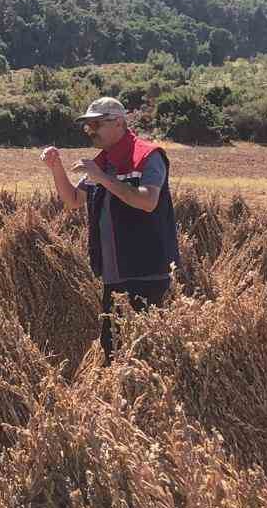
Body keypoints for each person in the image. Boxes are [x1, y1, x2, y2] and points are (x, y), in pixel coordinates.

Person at [40, 97, 179, 360]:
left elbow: (148, 201)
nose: (91, 131)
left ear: (118, 123)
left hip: (145, 271)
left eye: (96, 124)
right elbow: (73, 200)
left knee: (143, 352)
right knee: (113, 349)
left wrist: (102, 177)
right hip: (114, 273)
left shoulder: (148, 156)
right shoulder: (101, 162)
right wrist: (56, 168)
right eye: (87, 126)